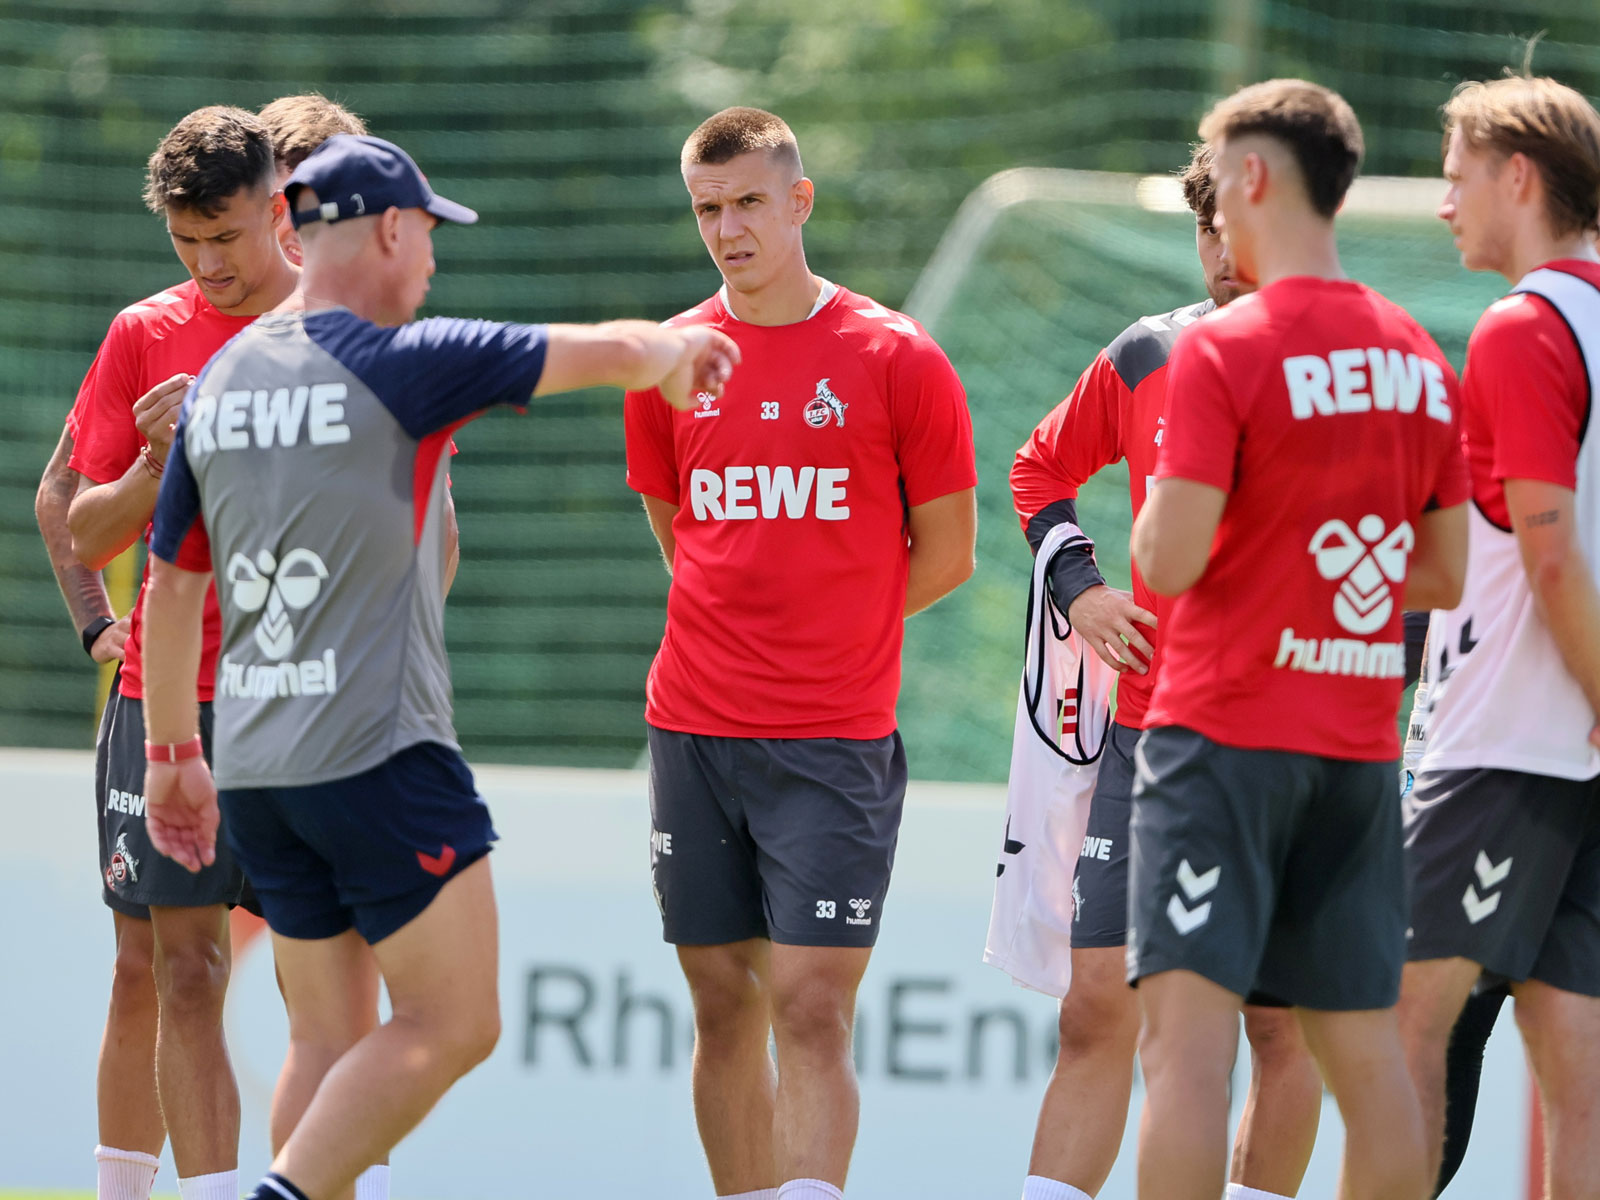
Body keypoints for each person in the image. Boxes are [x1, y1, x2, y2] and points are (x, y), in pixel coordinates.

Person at [139, 131, 740, 1200]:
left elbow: (175, 586)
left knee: (326, 1039)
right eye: (426, 237)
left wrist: (172, 754)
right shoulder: (398, 360)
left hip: (255, 763)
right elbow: (596, 351)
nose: (430, 264)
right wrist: (676, 355)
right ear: (387, 229)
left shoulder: (224, 380)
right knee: (455, 1021)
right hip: (379, 754)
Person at [624, 107, 976, 1200]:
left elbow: (950, 552)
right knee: (722, 1002)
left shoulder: (894, 355)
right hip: (691, 729)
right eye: (707, 209)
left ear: (798, 200)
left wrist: (832, 633)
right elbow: (677, 532)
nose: (727, 229)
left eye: (746, 204)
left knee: (813, 1006)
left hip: (832, 737)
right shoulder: (670, 361)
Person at [1127, 78, 1470, 1200]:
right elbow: (1443, 572)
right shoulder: (1418, 354)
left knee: (1186, 1055)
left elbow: (1163, 562)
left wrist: (1258, 561)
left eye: (1216, 180)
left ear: (1256, 177)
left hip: (1222, 736)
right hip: (1360, 752)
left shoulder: (1226, 350)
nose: (1212, 213)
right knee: (1365, 1064)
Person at [1007, 142, 1324, 1200]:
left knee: (1278, 1024)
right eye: (1204, 229)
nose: (1221, 254)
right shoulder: (1147, 352)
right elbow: (1037, 468)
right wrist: (1084, 591)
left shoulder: (1355, 364)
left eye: (1239, 227)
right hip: (1151, 735)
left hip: (1292, 743)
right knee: (1098, 1003)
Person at [61, 105, 300, 1200]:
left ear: (279, 209)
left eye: (228, 238)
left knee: (320, 977)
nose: (208, 265)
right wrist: (165, 465)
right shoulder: (143, 333)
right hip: (169, 701)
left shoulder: (345, 327)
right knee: (174, 969)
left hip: (307, 699)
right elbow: (81, 526)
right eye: (185, 241)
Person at [1397, 75, 1600, 1197]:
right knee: (1579, 1068)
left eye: (1454, 176)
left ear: (1516, 178)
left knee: (1399, 1026)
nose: (1442, 205)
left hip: (1512, 741)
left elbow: (1551, 555)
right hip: (1572, 750)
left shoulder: (1525, 326)